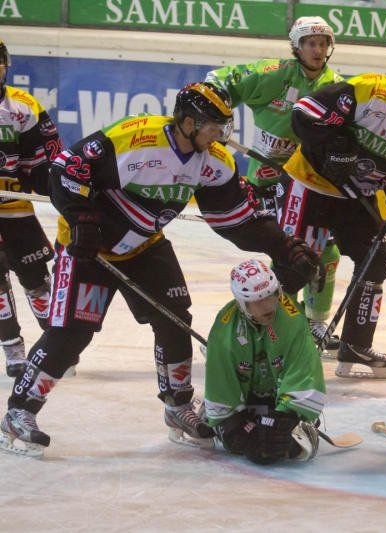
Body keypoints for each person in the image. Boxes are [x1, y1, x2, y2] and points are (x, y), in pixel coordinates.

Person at [0, 82, 319, 457]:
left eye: (224, 127)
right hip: (89, 249)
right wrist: (81, 219)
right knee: (71, 333)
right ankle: (18, 413)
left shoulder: (214, 162)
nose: (220, 136)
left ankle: (178, 406)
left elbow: (237, 219)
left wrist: (283, 246)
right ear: (189, 123)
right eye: (213, 127)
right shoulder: (135, 138)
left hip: (145, 246)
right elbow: (65, 171)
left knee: (175, 321)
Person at [283, 43, 386, 379]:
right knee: (295, 263)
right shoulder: (365, 90)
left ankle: (355, 345)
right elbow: (303, 113)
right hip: (311, 184)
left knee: (376, 260)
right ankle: (266, 336)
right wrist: (335, 147)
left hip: (355, 197)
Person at [205, 17, 344, 354]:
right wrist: (215, 118)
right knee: (289, 252)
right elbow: (217, 82)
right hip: (266, 185)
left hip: (309, 185)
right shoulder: (273, 74)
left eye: (323, 43)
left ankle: (314, 322)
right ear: (297, 46)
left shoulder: (337, 86)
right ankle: (258, 323)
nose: (317, 50)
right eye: (310, 43)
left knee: (327, 253)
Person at [204, 258, 325, 464]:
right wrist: (240, 432)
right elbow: (220, 388)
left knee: (288, 446)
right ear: (242, 304)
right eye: (258, 301)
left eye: (272, 295)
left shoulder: (293, 320)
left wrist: (284, 419)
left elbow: (303, 375)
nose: (269, 306)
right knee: (240, 443)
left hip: (278, 402)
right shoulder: (224, 331)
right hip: (244, 403)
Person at [0, 40, 61, 377]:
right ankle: (13, 350)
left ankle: (55, 344)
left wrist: (58, 190)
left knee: (36, 277)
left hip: (15, 208)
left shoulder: (23, 107)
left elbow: (43, 162)